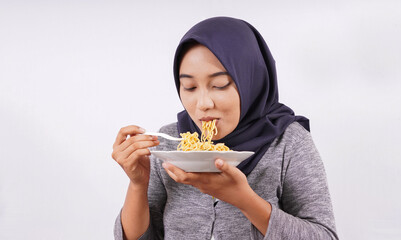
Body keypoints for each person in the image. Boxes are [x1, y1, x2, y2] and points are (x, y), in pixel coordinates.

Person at [112, 17, 338, 240]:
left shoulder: (288, 143)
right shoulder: (171, 142)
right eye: (189, 87)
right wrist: (137, 185)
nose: (203, 104)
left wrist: (245, 200)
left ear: (250, 80)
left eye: (219, 85)